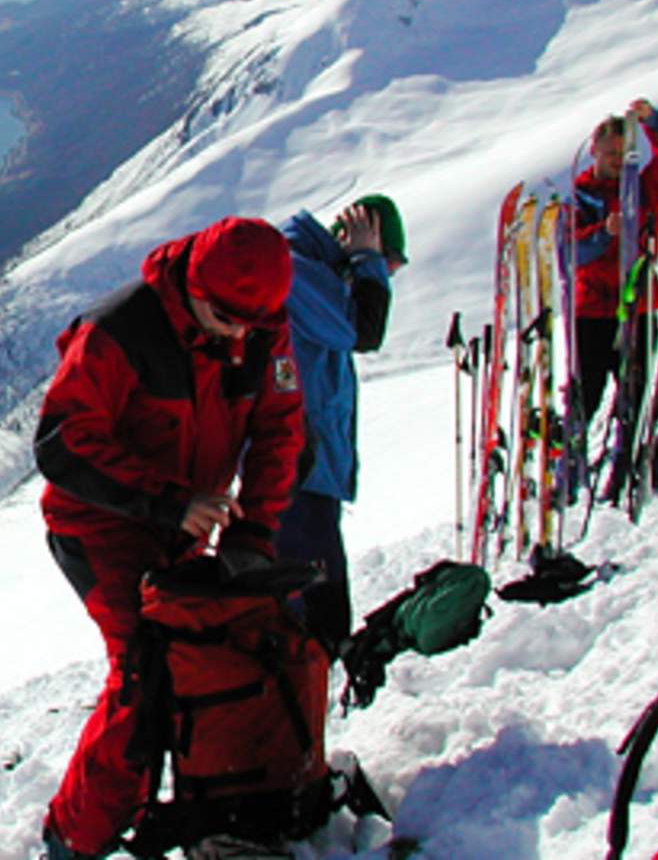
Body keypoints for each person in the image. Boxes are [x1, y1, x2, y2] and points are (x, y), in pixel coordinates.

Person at [32, 216, 307, 860]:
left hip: (183, 521)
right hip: (99, 525)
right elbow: (62, 441)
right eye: (227, 320)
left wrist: (255, 533)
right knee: (143, 671)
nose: (240, 337)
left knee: (201, 656)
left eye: (253, 324)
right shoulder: (120, 331)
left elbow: (279, 430)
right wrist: (165, 500)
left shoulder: (260, 327)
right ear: (194, 289)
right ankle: (73, 839)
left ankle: (205, 802)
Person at [276, 196, 406, 655]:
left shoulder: (316, 275)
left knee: (317, 598)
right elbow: (364, 332)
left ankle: (308, 689)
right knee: (315, 607)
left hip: (310, 464)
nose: (387, 275)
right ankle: (303, 695)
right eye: (389, 261)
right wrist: (366, 260)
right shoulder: (300, 275)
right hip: (298, 465)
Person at [573, 99, 658, 422]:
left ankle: (634, 465)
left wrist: (653, 122)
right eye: (611, 154)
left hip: (639, 304)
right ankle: (575, 455)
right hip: (594, 312)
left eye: (623, 154)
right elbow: (572, 254)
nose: (617, 161)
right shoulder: (580, 197)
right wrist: (603, 233)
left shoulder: (643, 189)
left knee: (639, 402)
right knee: (587, 396)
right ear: (595, 150)